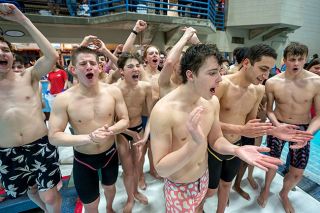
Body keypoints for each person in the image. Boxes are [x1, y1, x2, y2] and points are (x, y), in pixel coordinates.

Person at [150, 43, 282, 213]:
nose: (220, 79)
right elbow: (161, 168)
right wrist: (194, 144)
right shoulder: (163, 111)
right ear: (190, 74)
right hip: (179, 187)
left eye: (219, 71)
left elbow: (216, 139)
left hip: (203, 177)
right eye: (212, 73)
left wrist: (236, 150)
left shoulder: (211, 102)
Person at [206, 44, 313, 213]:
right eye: (263, 68)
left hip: (237, 147)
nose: (265, 75)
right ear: (247, 63)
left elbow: (250, 127)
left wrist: (273, 131)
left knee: (227, 184)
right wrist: (241, 130)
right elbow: (205, 122)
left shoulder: (258, 90)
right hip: (214, 146)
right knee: (210, 191)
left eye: (269, 70)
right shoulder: (222, 84)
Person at [48, 46, 129, 213]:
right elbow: (54, 136)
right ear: (73, 69)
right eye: (83, 63)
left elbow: (124, 120)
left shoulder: (113, 91)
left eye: (92, 63)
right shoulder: (64, 99)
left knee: (110, 187)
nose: (89, 66)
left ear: (99, 68)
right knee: (90, 204)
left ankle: (109, 208)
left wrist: (111, 130)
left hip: (110, 154)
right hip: (84, 160)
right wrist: (89, 138)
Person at [0, 3, 61, 212]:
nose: (2, 54)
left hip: (40, 145)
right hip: (6, 152)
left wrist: (22, 20)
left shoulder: (28, 75)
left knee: (51, 195)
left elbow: (52, 56)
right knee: (32, 190)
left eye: (5, 50)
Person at [258, 42, 320, 213]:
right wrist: (278, 126)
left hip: (302, 130)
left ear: (305, 59)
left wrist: (307, 134)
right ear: (284, 60)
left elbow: (319, 116)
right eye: (292, 59)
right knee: (272, 163)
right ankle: (266, 188)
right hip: (279, 124)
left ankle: (283, 194)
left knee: (298, 172)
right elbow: (269, 111)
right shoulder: (272, 82)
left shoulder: (316, 82)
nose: (296, 63)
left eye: (301, 59)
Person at [115, 52, 153, 212]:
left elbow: (151, 115)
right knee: (128, 168)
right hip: (122, 132)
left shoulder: (146, 87)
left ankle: (136, 191)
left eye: (137, 66)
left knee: (138, 164)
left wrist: (145, 135)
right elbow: (112, 120)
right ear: (122, 71)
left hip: (139, 129)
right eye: (130, 66)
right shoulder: (115, 89)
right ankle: (130, 199)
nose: (135, 69)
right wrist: (131, 134)